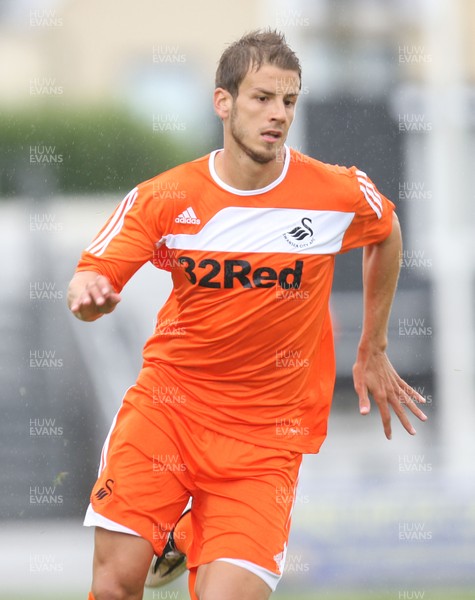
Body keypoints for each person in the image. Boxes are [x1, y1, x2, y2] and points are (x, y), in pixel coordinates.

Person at [68, 29, 427, 600]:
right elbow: (91, 277)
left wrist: (374, 347)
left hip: (266, 440)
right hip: (168, 412)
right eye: (261, 98)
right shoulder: (167, 196)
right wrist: (90, 298)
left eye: (288, 100)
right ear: (224, 102)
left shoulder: (333, 192)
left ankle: (186, 535)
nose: (277, 114)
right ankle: (178, 534)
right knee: (114, 585)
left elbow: (386, 230)